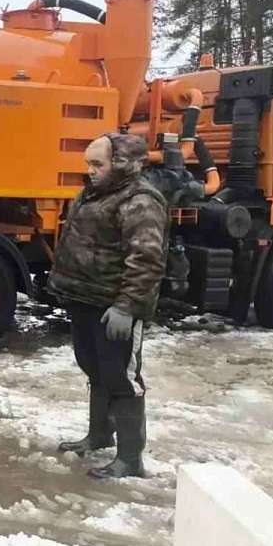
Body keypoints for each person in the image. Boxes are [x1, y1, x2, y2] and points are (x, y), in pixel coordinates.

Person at [48, 133, 168, 478]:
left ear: (122, 164)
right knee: (94, 368)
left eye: (97, 164)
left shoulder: (141, 201)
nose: (90, 171)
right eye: (88, 164)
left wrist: (127, 307)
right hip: (86, 301)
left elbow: (146, 259)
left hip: (114, 306)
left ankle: (130, 458)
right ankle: (99, 436)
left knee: (121, 378)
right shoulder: (97, 193)